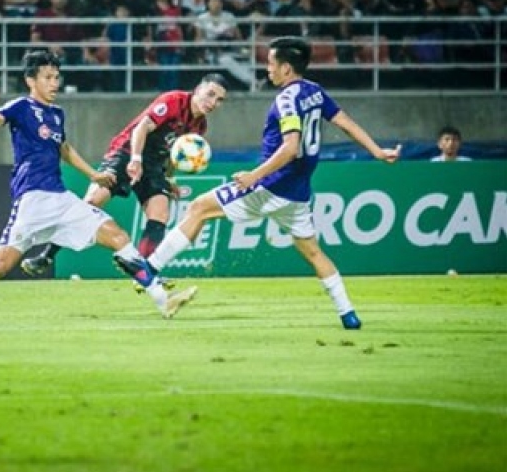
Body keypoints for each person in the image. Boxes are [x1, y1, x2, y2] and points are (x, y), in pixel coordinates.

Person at [0, 50, 194, 321]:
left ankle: (163, 301)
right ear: (30, 80)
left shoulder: (57, 114)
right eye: (47, 77)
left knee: (117, 237)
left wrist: (93, 176)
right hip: (32, 199)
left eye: (56, 77)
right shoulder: (21, 107)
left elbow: (64, 149)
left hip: (60, 198)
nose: (54, 82)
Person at [141, 37, 402, 330]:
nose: (267, 70)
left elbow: (290, 147)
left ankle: (148, 268)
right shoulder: (314, 92)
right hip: (298, 193)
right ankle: (348, 313)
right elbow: (345, 122)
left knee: (200, 208)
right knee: (314, 253)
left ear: (287, 68)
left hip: (270, 185)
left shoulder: (287, 99)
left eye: (271, 63)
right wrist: (377, 151)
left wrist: (255, 176)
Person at [20, 73, 229, 281]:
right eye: (210, 94)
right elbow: (141, 128)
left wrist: (169, 179)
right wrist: (135, 159)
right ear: (198, 89)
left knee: (160, 213)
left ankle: (142, 272)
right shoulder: (173, 101)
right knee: (92, 202)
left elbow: (174, 155)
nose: (212, 103)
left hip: (154, 165)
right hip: (127, 152)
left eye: (219, 100)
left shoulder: (199, 127)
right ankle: (46, 256)